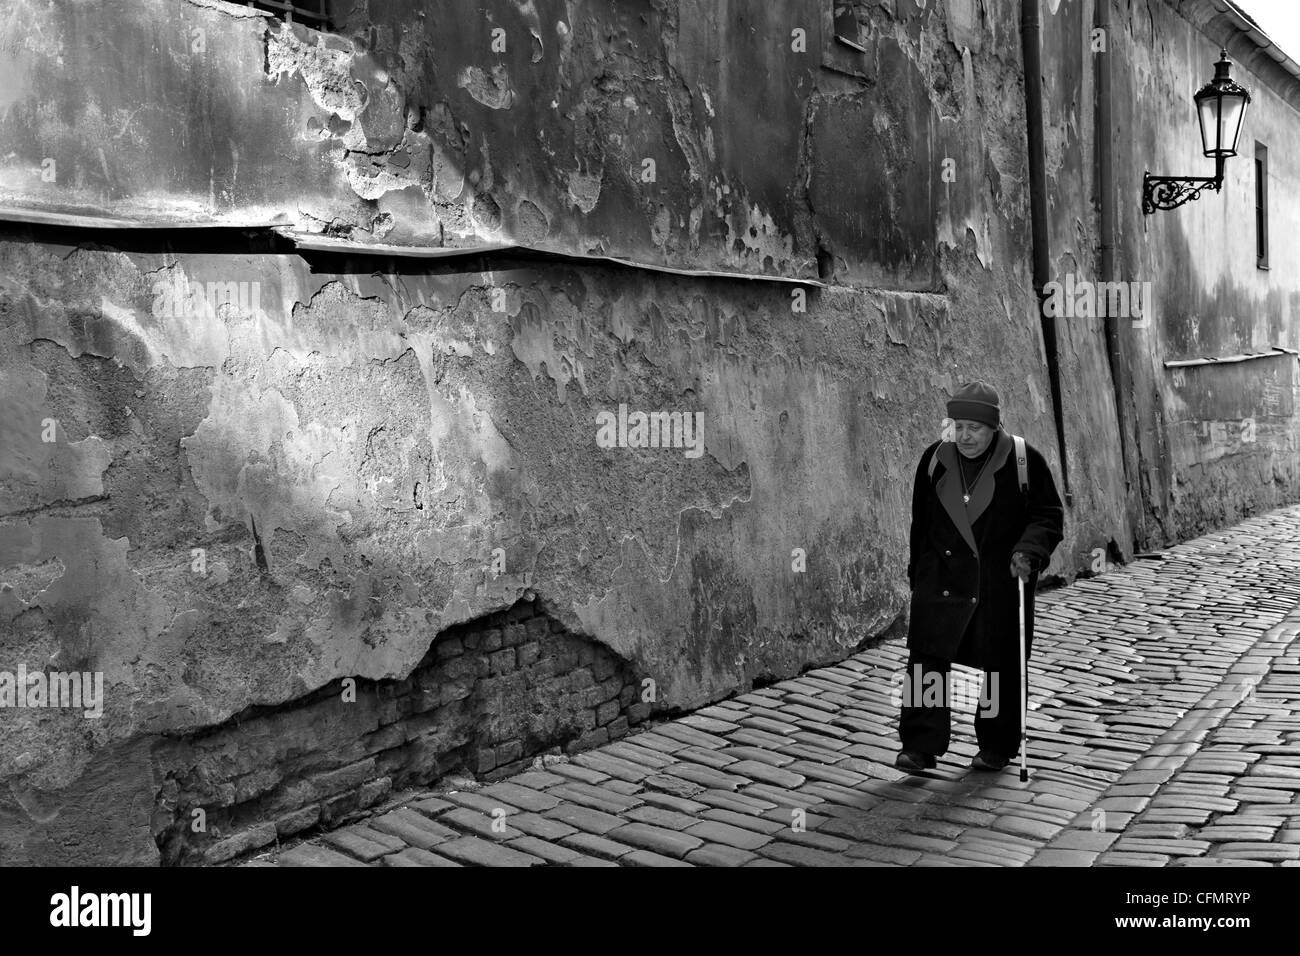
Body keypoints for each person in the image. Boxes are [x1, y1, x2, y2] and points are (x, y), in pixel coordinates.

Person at [896, 381, 1064, 773]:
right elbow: (920, 522)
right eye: (959, 426)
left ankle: (996, 745)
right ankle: (919, 746)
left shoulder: (1024, 461)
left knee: (1002, 664)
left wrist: (1029, 551)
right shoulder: (935, 460)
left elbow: (1048, 516)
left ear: (994, 428)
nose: (965, 436)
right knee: (926, 661)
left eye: (975, 428)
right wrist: (917, 574)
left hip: (999, 579)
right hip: (941, 575)